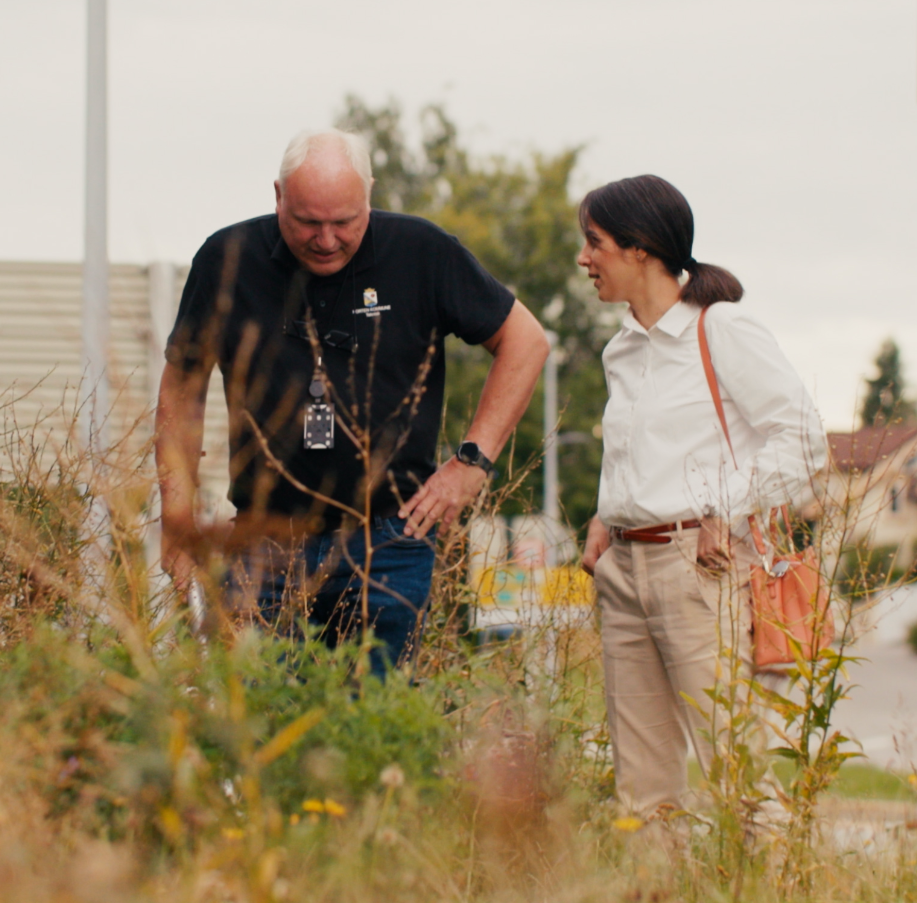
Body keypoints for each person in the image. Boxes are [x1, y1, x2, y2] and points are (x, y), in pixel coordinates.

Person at [155, 129, 549, 675]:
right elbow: (182, 385)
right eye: (308, 222)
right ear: (277, 197)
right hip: (263, 540)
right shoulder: (228, 258)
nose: (326, 239)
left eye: (344, 222)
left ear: (369, 195)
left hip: (390, 539)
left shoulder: (422, 251)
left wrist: (470, 464)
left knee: (375, 724)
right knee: (270, 723)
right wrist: (175, 513)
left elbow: (525, 341)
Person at [578, 175, 827, 817]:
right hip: (625, 573)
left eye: (594, 243)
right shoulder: (620, 349)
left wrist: (728, 506)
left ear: (640, 250)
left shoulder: (722, 331)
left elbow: (802, 440)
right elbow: (647, 453)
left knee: (738, 774)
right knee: (642, 791)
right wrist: (605, 516)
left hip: (700, 570)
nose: (584, 259)